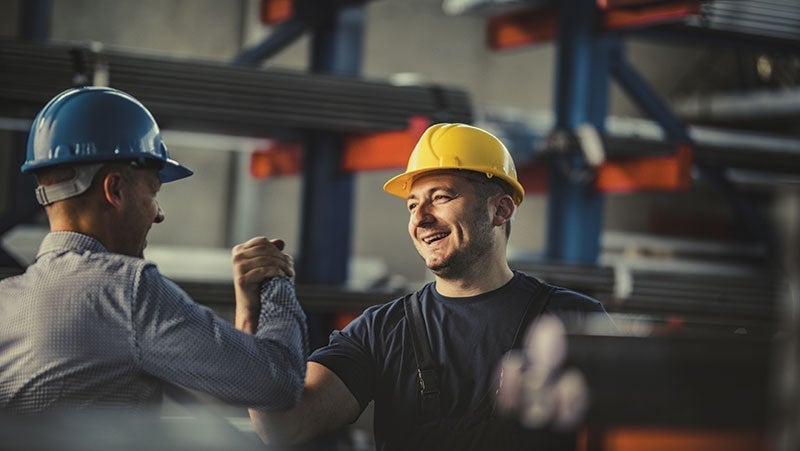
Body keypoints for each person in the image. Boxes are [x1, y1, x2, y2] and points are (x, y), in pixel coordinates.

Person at [241, 123, 616, 450]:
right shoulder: (381, 331)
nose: (420, 218)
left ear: (500, 210)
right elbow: (285, 425)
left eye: (441, 197)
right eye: (411, 204)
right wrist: (252, 318)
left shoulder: (574, 319)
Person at [0, 87, 307, 415]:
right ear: (114, 189)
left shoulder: (6, 300)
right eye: (153, 191)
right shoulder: (126, 290)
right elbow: (278, 383)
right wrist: (275, 281)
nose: (158, 214)